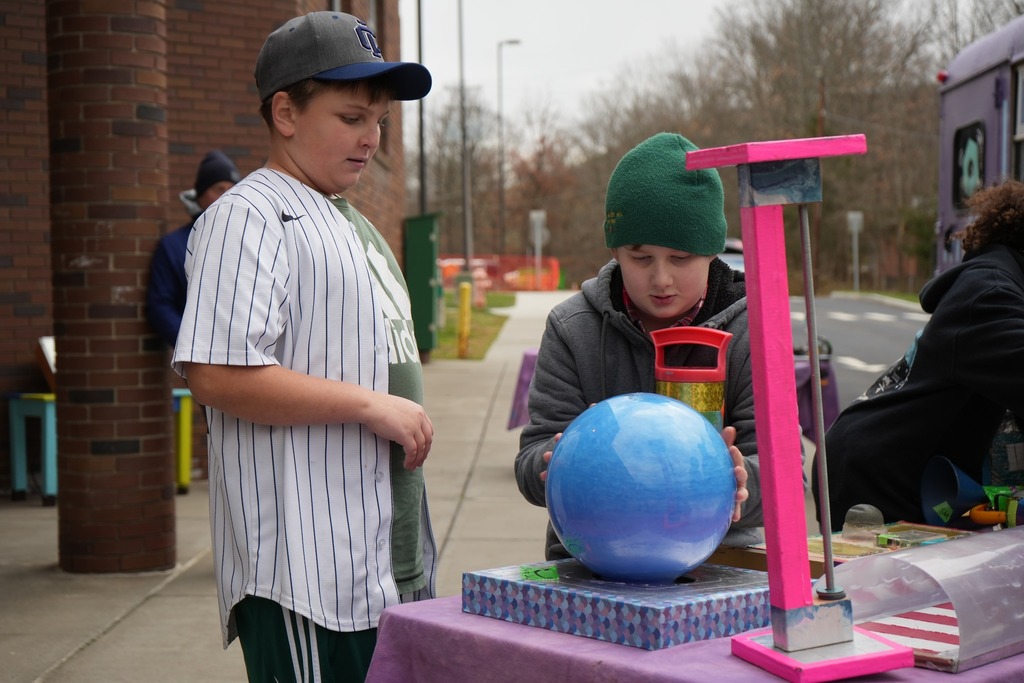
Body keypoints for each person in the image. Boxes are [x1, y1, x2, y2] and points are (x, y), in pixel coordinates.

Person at [171, 12, 435, 682]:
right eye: (352, 117)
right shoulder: (246, 215)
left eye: (379, 121)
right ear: (285, 112)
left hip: (376, 561)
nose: (371, 138)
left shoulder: (342, 215)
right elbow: (217, 373)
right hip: (305, 576)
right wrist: (371, 406)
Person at [514, 132, 763, 564]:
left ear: (711, 252)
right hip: (591, 560)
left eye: (681, 258)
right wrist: (553, 464)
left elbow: (786, 476)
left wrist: (740, 481)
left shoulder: (753, 332)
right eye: (640, 258)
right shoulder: (572, 329)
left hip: (723, 561)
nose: (661, 278)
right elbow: (530, 458)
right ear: (614, 249)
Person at [818, 179, 1024, 531]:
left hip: (914, 473)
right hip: (876, 478)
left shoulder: (998, 285)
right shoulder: (987, 294)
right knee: (888, 586)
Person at [147, 150, 240, 347]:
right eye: (219, 189)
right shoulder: (173, 246)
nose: (227, 197)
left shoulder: (247, 242)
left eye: (232, 190)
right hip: (197, 362)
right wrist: (195, 346)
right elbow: (160, 305)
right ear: (200, 195)